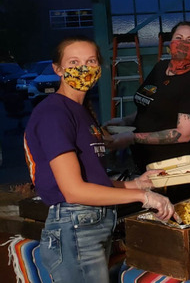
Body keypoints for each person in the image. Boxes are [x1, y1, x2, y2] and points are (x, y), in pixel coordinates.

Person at [23, 36, 175, 283]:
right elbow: (74, 191)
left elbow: (91, 178)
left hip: (89, 224)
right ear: (57, 69)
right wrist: (143, 197)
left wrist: (136, 184)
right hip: (74, 226)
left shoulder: (81, 111)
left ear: (99, 68)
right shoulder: (55, 113)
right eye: (74, 62)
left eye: (90, 61)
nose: (83, 68)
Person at [106, 21, 190, 201]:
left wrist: (132, 137)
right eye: (178, 38)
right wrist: (126, 122)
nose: (183, 43)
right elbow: (149, 105)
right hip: (146, 164)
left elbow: (183, 134)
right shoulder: (160, 69)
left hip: (176, 171)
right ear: (170, 42)